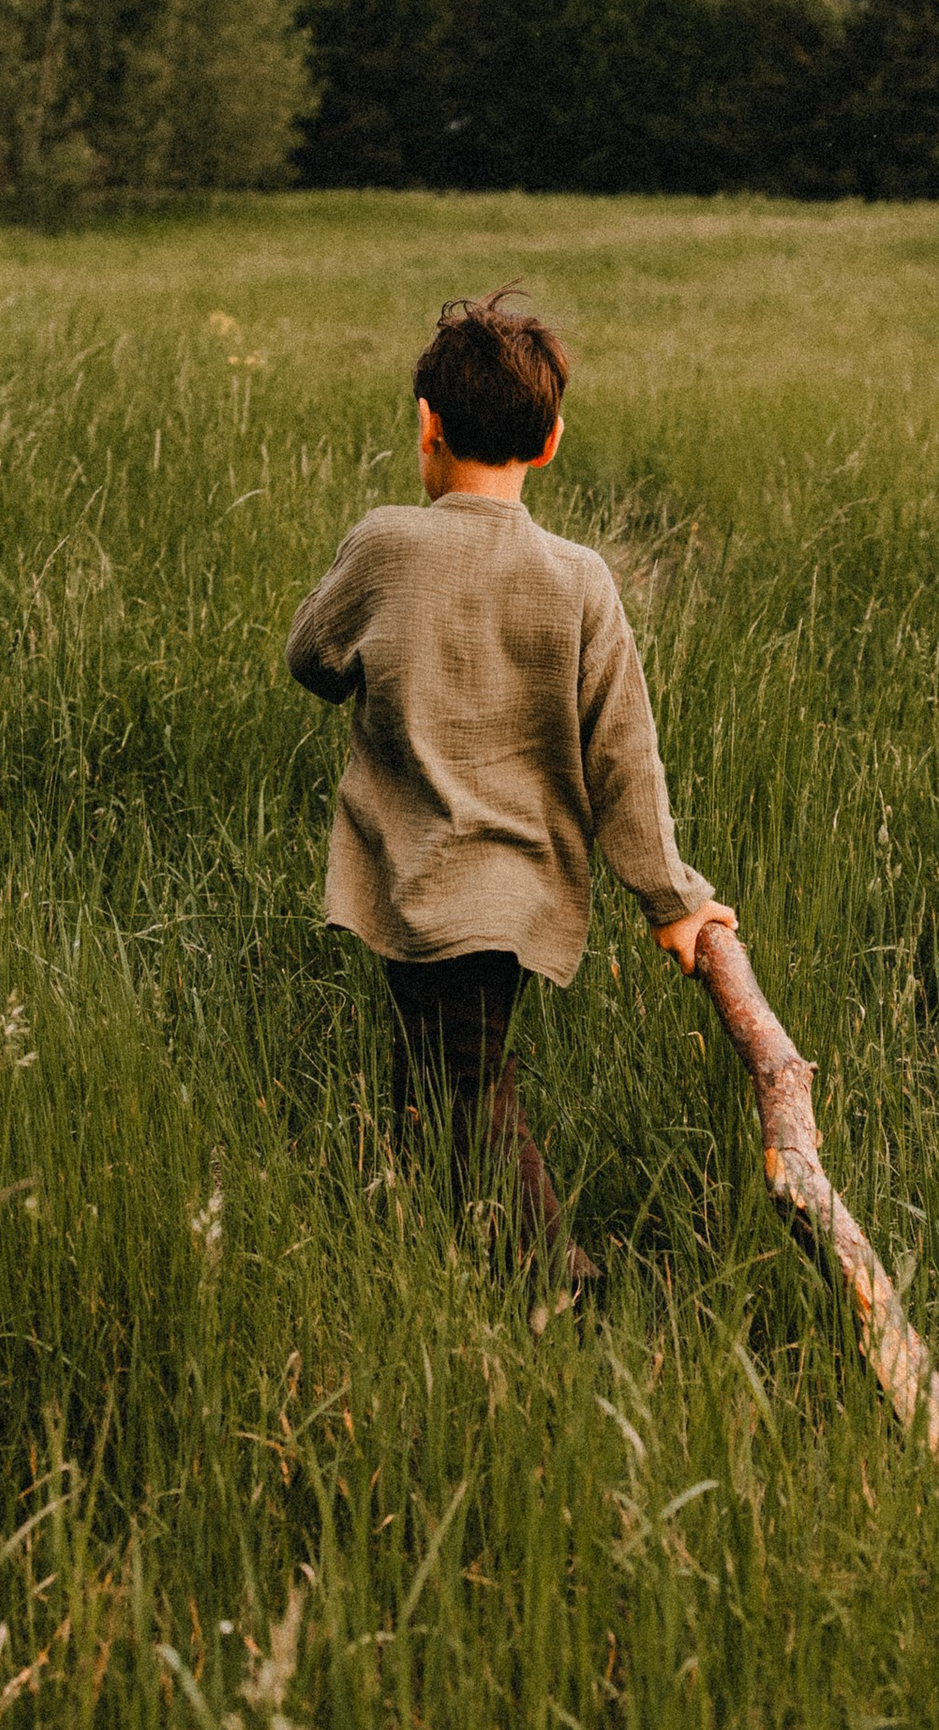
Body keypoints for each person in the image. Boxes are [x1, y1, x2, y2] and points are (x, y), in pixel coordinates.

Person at [285, 288, 728, 1282]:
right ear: (551, 442)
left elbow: (310, 658)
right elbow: (624, 752)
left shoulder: (384, 543)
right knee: (438, 1070)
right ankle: (433, 1233)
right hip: (518, 889)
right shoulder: (578, 579)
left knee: (471, 1084)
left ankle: (549, 1277)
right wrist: (672, 899)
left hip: (412, 877)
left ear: (427, 429)